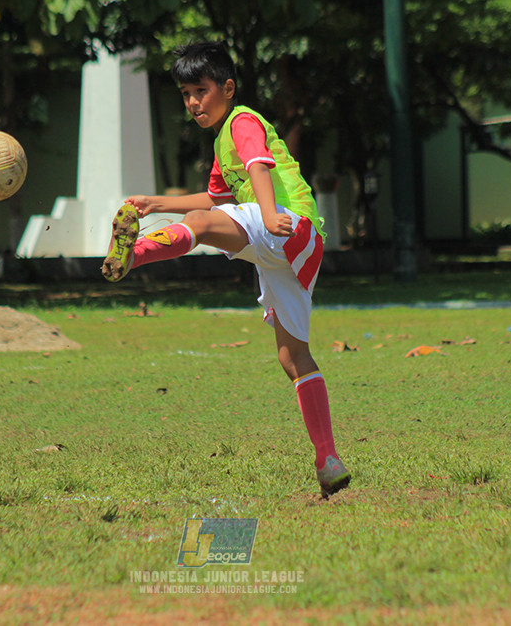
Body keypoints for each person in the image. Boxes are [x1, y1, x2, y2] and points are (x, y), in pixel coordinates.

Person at [101, 41, 351, 498]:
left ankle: (133, 255)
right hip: (297, 248)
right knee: (292, 358)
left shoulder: (242, 121)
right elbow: (219, 199)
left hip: (285, 225)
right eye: (185, 94)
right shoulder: (221, 142)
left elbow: (259, 165)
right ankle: (327, 458)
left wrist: (272, 212)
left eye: (201, 90)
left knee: (197, 227)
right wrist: (157, 203)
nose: (193, 102)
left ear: (228, 88)